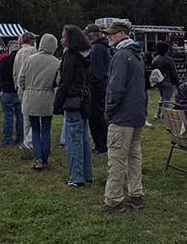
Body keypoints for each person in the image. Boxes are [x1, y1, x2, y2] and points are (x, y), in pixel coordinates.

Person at [97, 22, 147, 213]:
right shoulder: (136, 55)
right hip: (136, 115)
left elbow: (116, 88)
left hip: (122, 117)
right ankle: (136, 194)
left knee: (117, 159)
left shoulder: (121, 55)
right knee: (134, 156)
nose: (109, 36)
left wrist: (109, 110)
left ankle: (113, 200)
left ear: (124, 34)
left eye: (113, 33)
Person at [54, 25, 92, 187]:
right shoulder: (83, 56)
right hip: (83, 101)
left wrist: (57, 104)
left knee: (74, 141)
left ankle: (76, 177)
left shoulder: (70, 56)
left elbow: (64, 82)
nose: (61, 39)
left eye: (63, 37)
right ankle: (86, 174)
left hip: (72, 101)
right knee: (83, 139)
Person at [19, 34, 60, 170]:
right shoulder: (56, 62)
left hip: (30, 97)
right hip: (47, 97)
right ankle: (45, 159)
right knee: (46, 130)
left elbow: (21, 79)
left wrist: (27, 90)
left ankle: (38, 159)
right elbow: (59, 82)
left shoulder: (29, 60)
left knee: (35, 130)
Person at [85, 24, 111, 154]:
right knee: (102, 115)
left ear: (92, 34)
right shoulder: (106, 47)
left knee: (95, 117)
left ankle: (100, 145)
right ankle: (104, 142)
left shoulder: (95, 49)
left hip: (96, 86)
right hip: (105, 84)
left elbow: (96, 72)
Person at [14, 32, 38, 152]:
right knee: (35, 117)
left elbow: (15, 72)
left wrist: (17, 86)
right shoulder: (33, 51)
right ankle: (29, 142)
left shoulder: (18, 53)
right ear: (31, 40)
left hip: (20, 87)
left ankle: (26, 141)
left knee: (26, 117)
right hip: (31, 87)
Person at [0, 42, 23, 146]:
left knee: (8, 116)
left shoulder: (3, 61)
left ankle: (7, 139)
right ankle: (20, 138)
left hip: (7, 91)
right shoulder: (22, 61)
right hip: (18, 91)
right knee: (20, 116)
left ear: (9, 49)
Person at [152, 41, 180, 120]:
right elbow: (173, 73)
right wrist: (178, 83)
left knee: (162, 98)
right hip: (168, 81)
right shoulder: (169, 60)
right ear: (166, 50)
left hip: (159, 81)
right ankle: (164, 117)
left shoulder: (155, 59)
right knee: (166, 100)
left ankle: (157, 114)